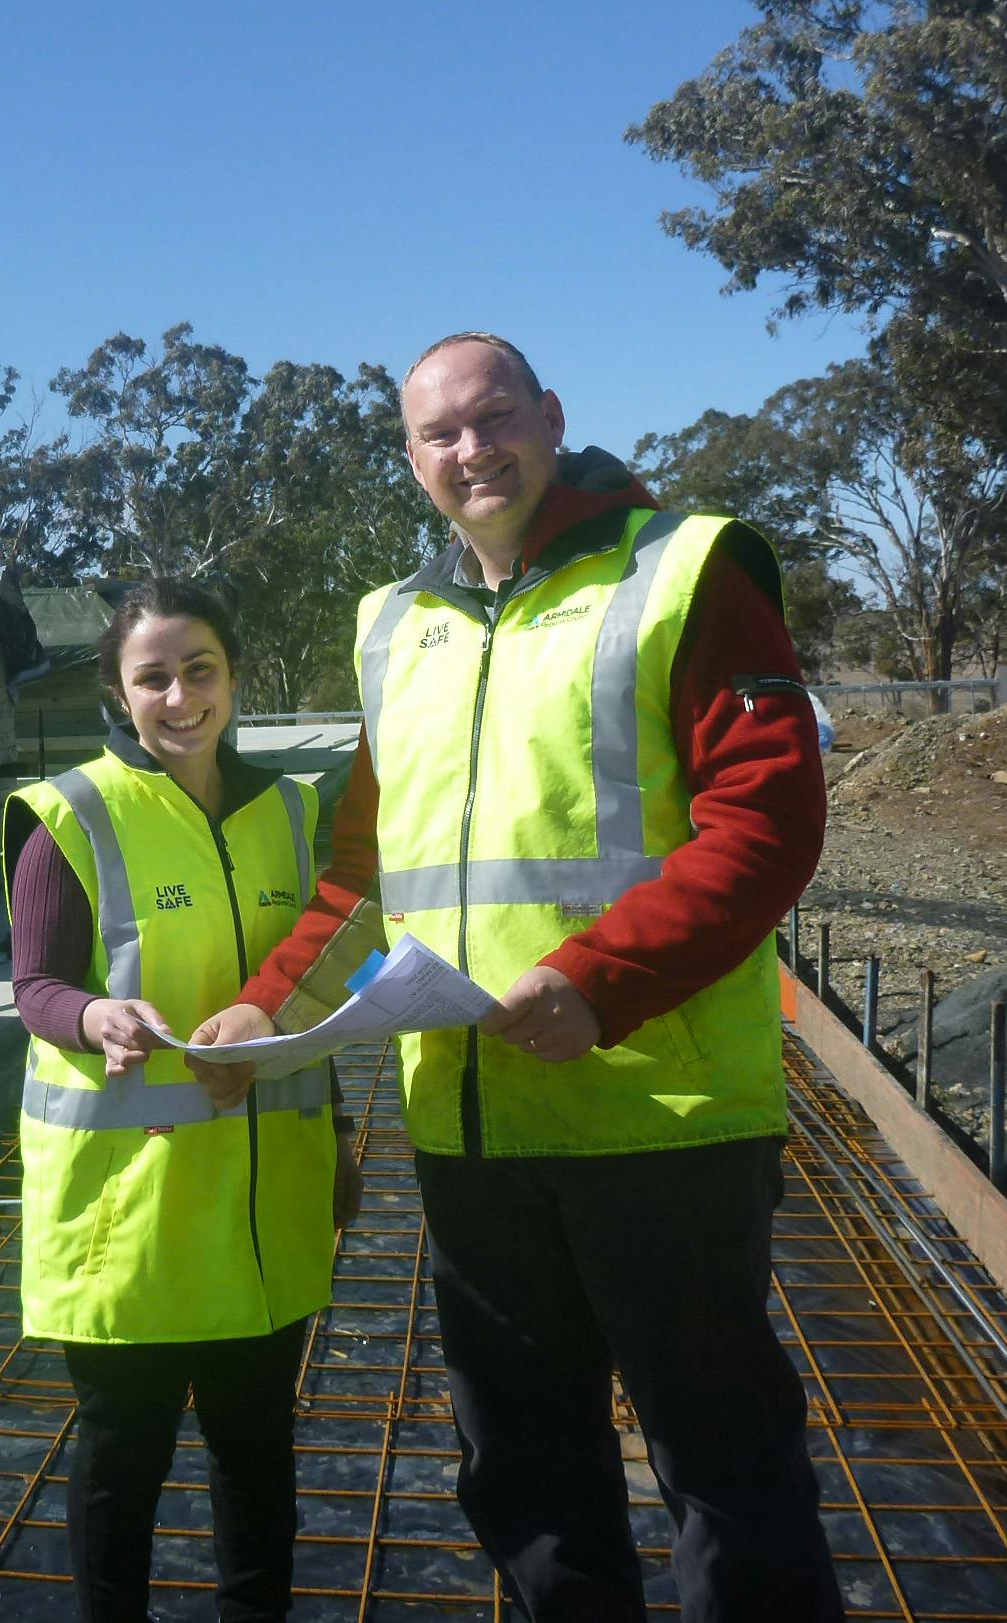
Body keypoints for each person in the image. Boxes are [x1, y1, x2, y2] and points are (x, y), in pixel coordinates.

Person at [189, 334, 847, 1622]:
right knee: (526, 1468)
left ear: (551, 417)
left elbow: (767, 822)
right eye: (439, 434)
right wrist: (271, 1006)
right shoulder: (398, 623)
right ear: (412, 457)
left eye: (494, 419)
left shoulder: (682, 568)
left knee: (723, 1466)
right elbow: (363, 873)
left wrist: (601, 978)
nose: (470, 450)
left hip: (660, 1114)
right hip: (470, 1128)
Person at [4, 576, 358, 1623]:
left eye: (198, 670)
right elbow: (34, 986)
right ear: (121, 692)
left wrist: (341, 1135)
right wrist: (91, 1018)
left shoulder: (290, 814)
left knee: (259, 1453)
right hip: (135, 1211)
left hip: (263, 1199)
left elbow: (312, 996)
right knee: (125, 1459)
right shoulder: (70, 815)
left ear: (233, 678)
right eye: (151, 677)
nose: (179, 696)